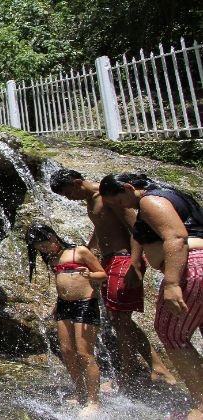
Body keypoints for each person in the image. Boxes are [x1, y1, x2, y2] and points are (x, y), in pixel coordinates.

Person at [50, 169, 175, 389]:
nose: (69, 198)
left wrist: (135, 265)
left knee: (120, 320)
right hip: (110, 259)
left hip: (123, 259)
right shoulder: (92, 199)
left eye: (68, 193)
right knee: (119, 320)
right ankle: (155, 367)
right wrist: (89, 248)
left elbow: (136, 227)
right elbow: (102, 227)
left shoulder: (108, 196)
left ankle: (131, 375)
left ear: (78, 182)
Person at [99, 173, 203, 420]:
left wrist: (172, 282)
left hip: (191, 267)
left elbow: (176, 237)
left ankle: (200, 406)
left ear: (127, 188)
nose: (120, 208)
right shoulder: (171, 194)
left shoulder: (150, 200)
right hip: (198, 263)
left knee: (171, 333)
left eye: (117, 201)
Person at [25, 224, 108, 417]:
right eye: (40, 248)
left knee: (84, 354)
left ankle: (94, 401)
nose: (46, 249)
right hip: (64, 306)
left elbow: (102, 274)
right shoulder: (53, 259)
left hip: (85, 304)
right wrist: (54, 307)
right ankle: (80, 392)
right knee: (66, 351)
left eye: (46, 244)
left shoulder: (79, 252)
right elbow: (61, 285)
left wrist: (91, 275)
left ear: (53, 236)